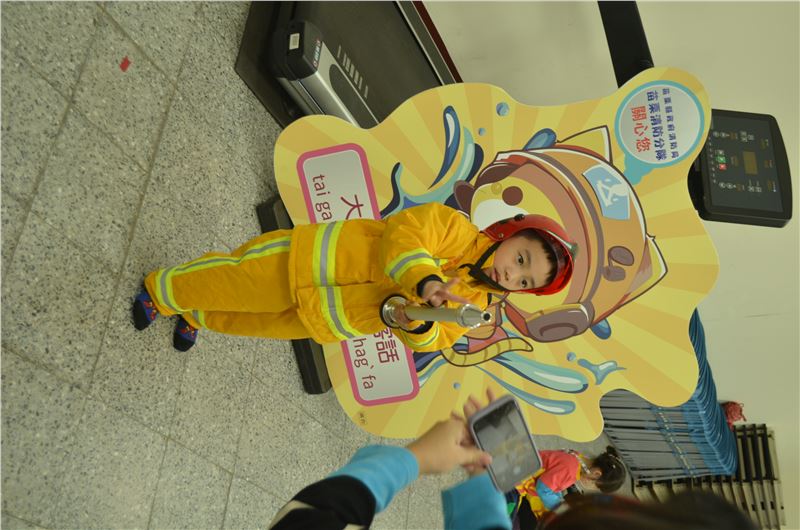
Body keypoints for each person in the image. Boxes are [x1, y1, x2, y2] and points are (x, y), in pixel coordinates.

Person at [266, 390, 755, 530]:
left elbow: (309, 517)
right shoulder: (570, 471)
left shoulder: (571, 466)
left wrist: (414, 459)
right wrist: (485, 479)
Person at [131, 201, 576, 351]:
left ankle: (199, 315)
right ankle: (163, 291)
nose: (512, 274)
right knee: (235, 282)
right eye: (521, 259)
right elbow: (405, 235)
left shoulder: (476, 307)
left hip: (332, 315)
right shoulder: (456, 230)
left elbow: (436, 340)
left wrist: (418, 323)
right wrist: (426, 281)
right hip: (308, 263)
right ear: (508, 234)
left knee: (253, 322)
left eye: (524, 282)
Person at [507, 445, 627, 525]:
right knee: (504, 521)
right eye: (596, 486)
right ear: (596, 474)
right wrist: (562, 509)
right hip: (514, 483)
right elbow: (543, 489)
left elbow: (554, 484)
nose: (591, 488)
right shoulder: (570, 470)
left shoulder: (575, 457)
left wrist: (561, 500)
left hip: (516, 469)